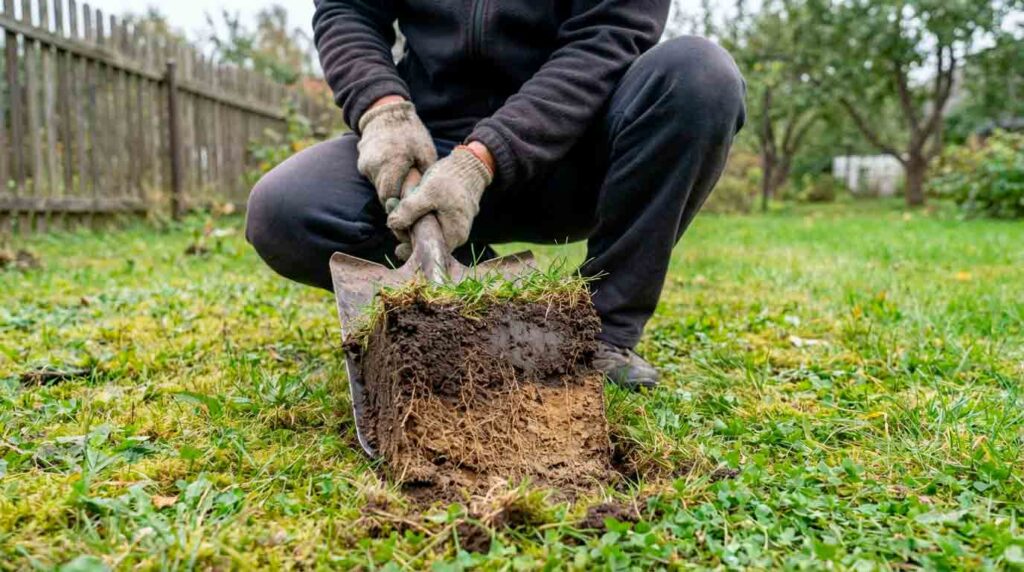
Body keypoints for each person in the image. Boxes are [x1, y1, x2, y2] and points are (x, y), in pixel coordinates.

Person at [246, 1, 746, 389]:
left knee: (700, 76)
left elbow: (607, 38)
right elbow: (348, 9)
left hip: (573, 148)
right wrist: (383, 111)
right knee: (284, 208)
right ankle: (464, 296)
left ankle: (600, 331)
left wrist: (480, 160)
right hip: (430, 145)